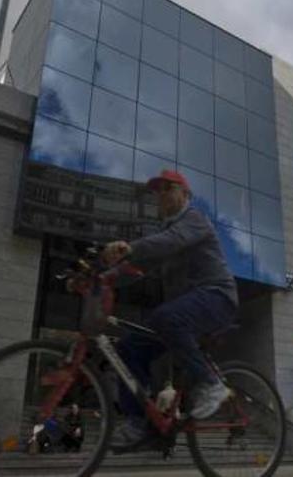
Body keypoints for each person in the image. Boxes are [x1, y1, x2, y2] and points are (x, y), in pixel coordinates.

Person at [102, 170, 238, 445]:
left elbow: (170, 242)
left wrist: (129, 247)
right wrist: (101, 278)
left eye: (168, 188)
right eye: (157, 191)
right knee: (129, 347)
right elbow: (137, 267)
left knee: (166, 317)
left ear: (185, 194)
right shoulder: (165, 234)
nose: (161, 195)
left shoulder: (194, 220)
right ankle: (140, 421)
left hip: (217, 297)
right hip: (186, 308)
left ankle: (212, 385)